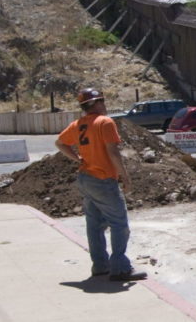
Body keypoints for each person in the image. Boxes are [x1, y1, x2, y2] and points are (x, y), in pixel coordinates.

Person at [55, 88, 147, 282]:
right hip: (103, 179)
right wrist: (125, 176)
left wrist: (77, 158)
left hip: (85, 178)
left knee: (94, 225)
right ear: (96, 103)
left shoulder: (78, 124)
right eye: (102, 101)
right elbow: (113, 152)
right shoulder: (105, 122)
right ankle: (120, 268)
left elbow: (60, 143)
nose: (105, 105)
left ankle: (100, 266)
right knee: (119, 224)